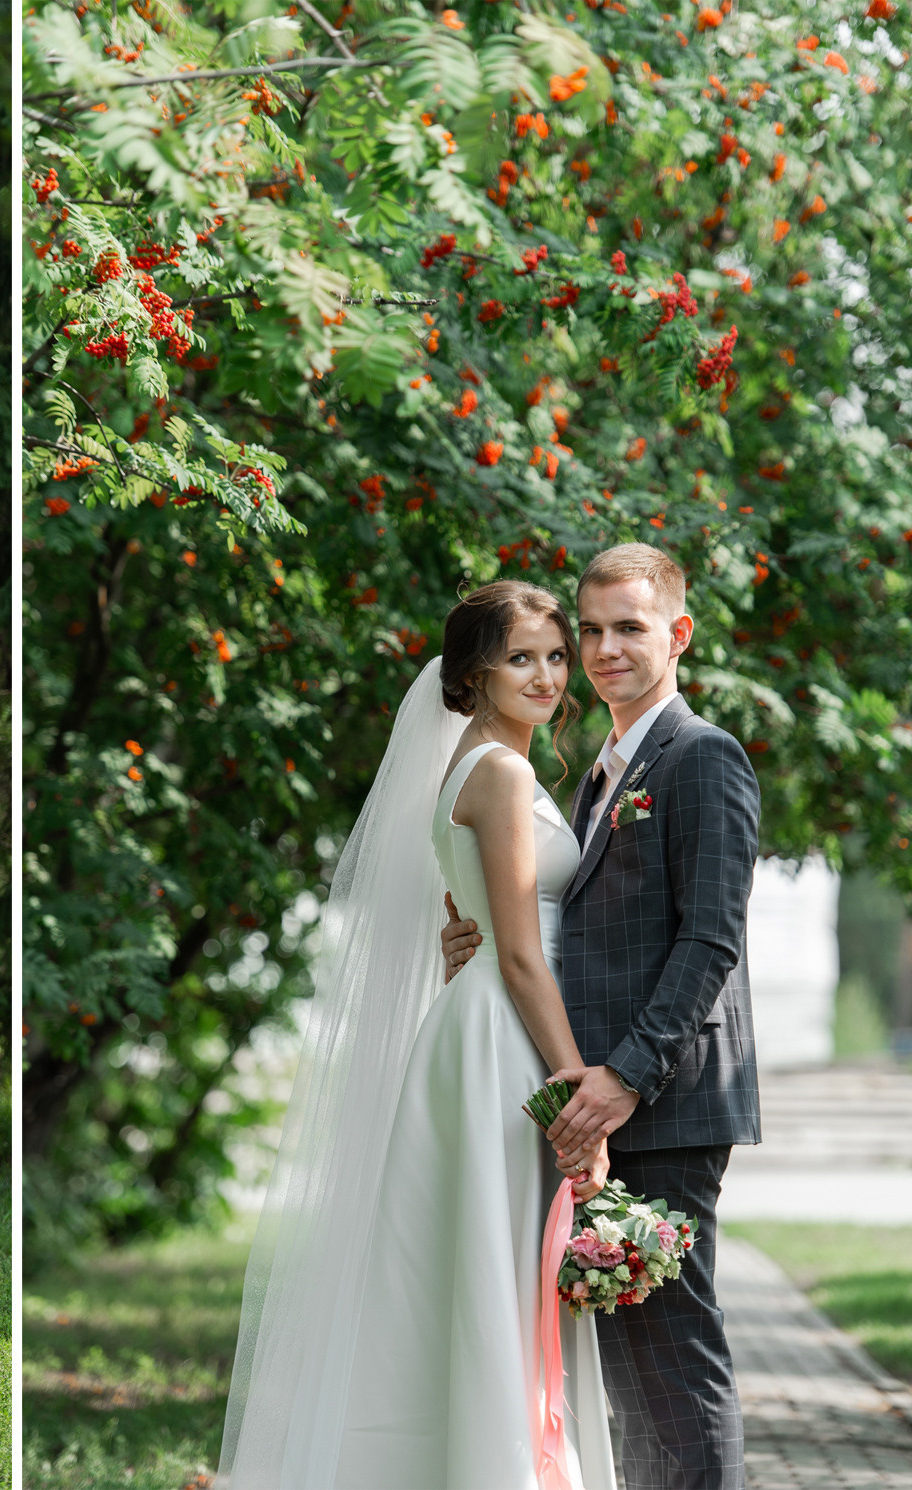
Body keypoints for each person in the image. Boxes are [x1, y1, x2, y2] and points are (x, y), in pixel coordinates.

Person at [220, 580, 616, 1489]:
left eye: (557, 657)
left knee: (476, 1267)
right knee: (496, 1270)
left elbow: (475, 922)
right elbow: (520, 957)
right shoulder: (501, 773)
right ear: (474, 672)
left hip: (481, 1024)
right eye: (521, 658)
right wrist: (579, 1095)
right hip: (508, 1035)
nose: (548, 676)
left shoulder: (475, 765)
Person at [441, 542, 759, 1489]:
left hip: (658, 1094)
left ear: (678, 634)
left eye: (630, 627)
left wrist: (622, 1078)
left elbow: (710, 940)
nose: (604, 649)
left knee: (674, 1363)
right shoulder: (596, 773)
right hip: (592, 1093)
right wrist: (474, 943)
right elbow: (566, 918)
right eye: (591, 630)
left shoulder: (701, 756)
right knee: (628, 1377)